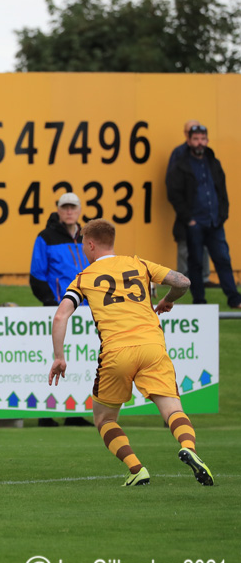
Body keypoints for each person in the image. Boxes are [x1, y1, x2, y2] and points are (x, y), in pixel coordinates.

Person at [49, 218, 214, 487]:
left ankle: (136, 468)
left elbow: (60, 317)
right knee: (173, 409)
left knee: (104, 418)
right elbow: (182, 281)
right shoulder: (139, 264)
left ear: (90, 244)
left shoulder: (84, 277)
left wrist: (59, 357)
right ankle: (189, 448)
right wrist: (167, 300)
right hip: (152, 346)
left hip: (116, 352)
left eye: (83, 245)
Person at [29, 192, 92, 427]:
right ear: (58, 209)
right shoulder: (45, 237)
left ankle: (74, 413)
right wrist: (49, 302)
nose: (69, 211)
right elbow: (37, 275)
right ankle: (46, 413)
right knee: (54, 359)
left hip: (87, 309)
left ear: (78, 210)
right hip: (59, 309)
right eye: (64, 207)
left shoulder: (87, 236)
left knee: (79, 359)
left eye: (72, 207)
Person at [166, 124, 241, 309]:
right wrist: (188, 219)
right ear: (189, 141)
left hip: (215, 222)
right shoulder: (181, 164)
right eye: (196, 139)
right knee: (196, 263)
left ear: (207, 140)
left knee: (223, 260)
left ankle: (234, 298)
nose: (200, 142)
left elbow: (221, 190)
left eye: (203, 138)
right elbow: (173, 193)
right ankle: (199, 300)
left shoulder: (213, 162)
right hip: (194, 223)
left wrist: (223, 213)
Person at [166, 120, 211, 286]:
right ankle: (182, 280)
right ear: (186, 135)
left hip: (204, 210)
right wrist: (185, 213)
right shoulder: (179, 154)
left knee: (204, 245)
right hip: (186, 209)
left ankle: (204, 278)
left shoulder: (206, 154)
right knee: (185, 243)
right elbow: (172, 185)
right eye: (191, 132)